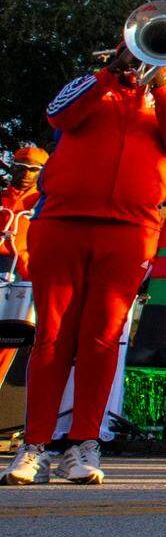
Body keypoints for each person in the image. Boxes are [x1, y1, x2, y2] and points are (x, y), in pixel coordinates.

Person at [2, 47, 166, 487]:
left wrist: (163, 87)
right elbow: (58, 115)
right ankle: (34, 445)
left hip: (130, 229)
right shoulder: (92, 84)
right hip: (62, 223)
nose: (148, 58)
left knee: (102, 337)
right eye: (144, 46)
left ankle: (83, 442)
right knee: (52, 336)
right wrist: (110, 74)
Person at [0, 146, 48, 390]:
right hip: (2, 265)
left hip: (24, 273)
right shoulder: (3, 198)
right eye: (21, 168)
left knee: (10, 335)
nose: (27, 174)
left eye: (33, 169)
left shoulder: (44, 202)